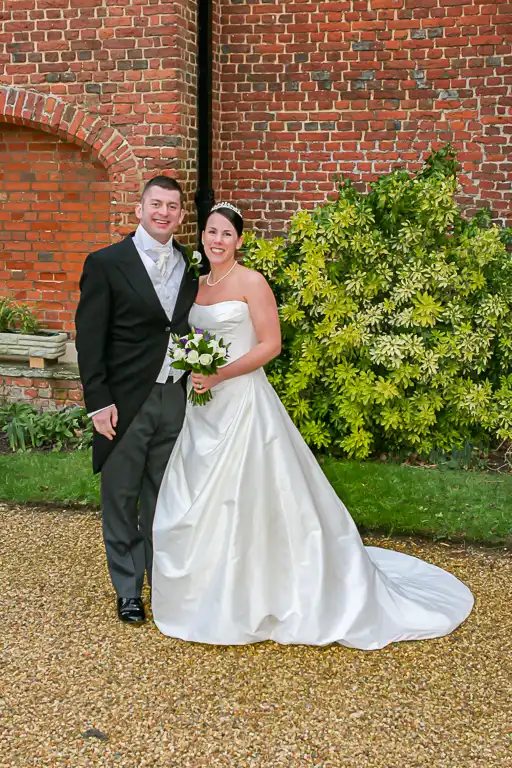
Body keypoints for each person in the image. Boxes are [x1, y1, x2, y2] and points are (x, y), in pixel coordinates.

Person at [151, 202, 474, 649]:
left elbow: (271, 345)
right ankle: (207, 591)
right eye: (210, 232)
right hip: (203, 405)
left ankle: (261, 591)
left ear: (239, 241)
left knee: (247, 494)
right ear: (202, 237)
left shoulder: (252, 282)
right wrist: (195, 366)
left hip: (242, 402)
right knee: (198, 494)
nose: (216, 240)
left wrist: (221, 373)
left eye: (226, 234)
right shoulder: (198, 285)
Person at [75, 176, 200, 624]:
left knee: (163, 498)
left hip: (175, 397)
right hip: (126, 401)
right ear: (139, 208)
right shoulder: (107, 263)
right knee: (121, 497)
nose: (163, 213)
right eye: (156, 204)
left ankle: (161, 582)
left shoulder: (191, 264)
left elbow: (183, 324)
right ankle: (128, 590)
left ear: (181, 216)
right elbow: (90, 339)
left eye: (172, 207)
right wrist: (98, 401)